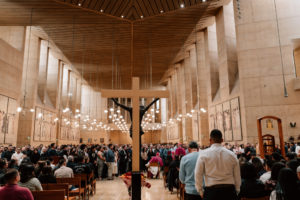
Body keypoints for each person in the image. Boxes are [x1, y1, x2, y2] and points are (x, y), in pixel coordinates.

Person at [195, 129, 241, 200]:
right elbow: (237, 174)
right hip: (229, 191)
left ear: (210, 140)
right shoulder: (232, 155)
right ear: (222, 140)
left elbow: (198, 174)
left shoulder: (203, 154)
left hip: (211, 191)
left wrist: (200, 191)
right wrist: (237, 190)